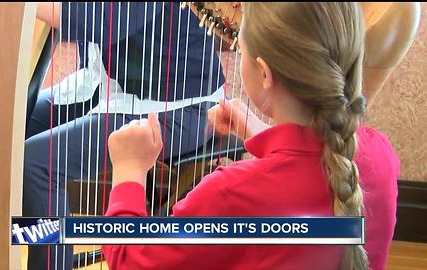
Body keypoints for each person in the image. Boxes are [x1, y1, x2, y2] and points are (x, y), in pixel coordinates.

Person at [102, 3, 400, 270]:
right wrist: (259, 131)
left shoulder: (229, 192)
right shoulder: (380, 155)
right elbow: (305, 176)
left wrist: (129, 171)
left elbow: (130, 259)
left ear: (265, 74)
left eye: (241, 50)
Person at [23, 2, 224, 270]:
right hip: (110, 83)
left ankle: (49, 260)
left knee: (35, 163)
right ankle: (20, 239)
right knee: (14, 120)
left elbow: (96, 21)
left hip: (180, 106)